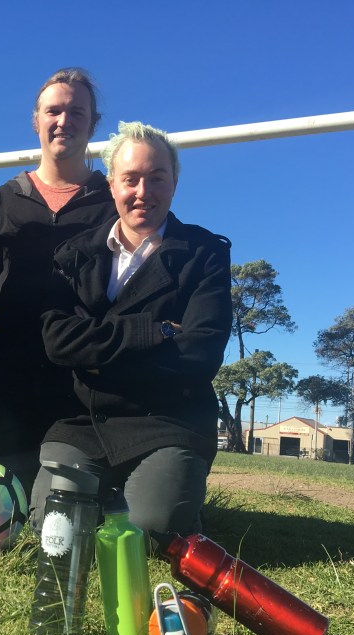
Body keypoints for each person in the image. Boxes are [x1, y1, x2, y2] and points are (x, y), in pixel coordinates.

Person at [30, 121, 233, 539]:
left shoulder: (205, 255)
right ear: (111, 184)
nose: (144, 192)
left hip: (169, 423)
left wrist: (95, 354)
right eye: (131, 179)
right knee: (54, 528)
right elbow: (58, 341)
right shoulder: (74, 254)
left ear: (174, 183)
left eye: (157, 178)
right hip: (84, 423)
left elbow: (200, 354)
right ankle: (113, 496)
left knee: (151, 529)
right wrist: (153, 332)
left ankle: (169, 499)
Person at [0, 68, 115, 496]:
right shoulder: (5, 199)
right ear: (36, 120)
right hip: (7, 384)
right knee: (6, 497)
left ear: (93, 123)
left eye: (77, 112)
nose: (64, 121)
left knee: (62, 504)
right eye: (54, 111)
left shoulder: (112, 201)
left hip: (80, 389)